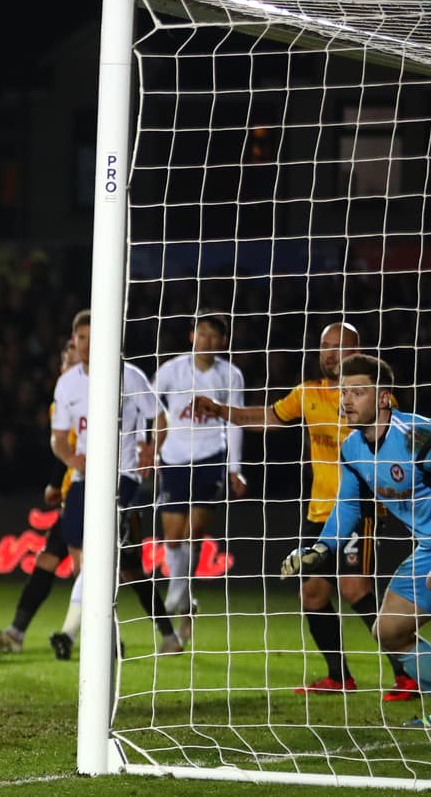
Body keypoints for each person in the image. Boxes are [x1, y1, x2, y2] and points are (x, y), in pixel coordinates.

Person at [195, 323, 416, 699]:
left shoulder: (375, 400)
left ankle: (408, 673)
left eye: (339, 347)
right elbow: (267, 417)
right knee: (312, 593)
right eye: (325, 346)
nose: (330, 354)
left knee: (354, 587)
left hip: (358, 509)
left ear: (357, 352)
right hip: (318, 513)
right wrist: (221, 410)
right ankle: (338, 677)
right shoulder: (308, 394)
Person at [281, 354, 431, 724]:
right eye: (345, 392)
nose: (347, 400)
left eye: (358, 392)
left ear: (383, 398)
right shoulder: (353, 447)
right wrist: (320, 550)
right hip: (426, 549)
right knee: (390, 632)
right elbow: (347, 506)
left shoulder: (418, 437)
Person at [47, 310, 180, 657]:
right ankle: (109, 637)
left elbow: (159, 415)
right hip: (83, 480)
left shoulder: (130, 377)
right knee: (96, 567)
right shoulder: (68, 383)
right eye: (82, 338)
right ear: (74, 341)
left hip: (123, 477)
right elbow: (58, 438)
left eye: (95, 337)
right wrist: (71, 458)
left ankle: (69, 634)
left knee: (106, 562)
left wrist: (153, 449)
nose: (88, 345)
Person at [0, 339, 80, 655]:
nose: (64, 359)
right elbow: (64, 449)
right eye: (64, 354)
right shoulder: (65, 396)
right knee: (51, 561)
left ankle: (153, 632)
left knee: (93, 572)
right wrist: (56, 483)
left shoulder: (90, 394)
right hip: (73, 492)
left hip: (94, 492)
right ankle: (17, 633)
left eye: (70, 354)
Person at [153, 310, 247, 644]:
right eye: (201, 333)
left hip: (210, 458)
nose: (206, 340)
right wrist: (152, 452)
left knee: (194, 532)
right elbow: (156, 414)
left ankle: (174, 598)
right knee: (173, 538)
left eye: (213, 336)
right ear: (192, 335)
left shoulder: (230, 375)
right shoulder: (170, 371)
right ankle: (185, 605)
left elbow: (235, 420)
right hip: (174, 460)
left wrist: (236, 468)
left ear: (222, 341)